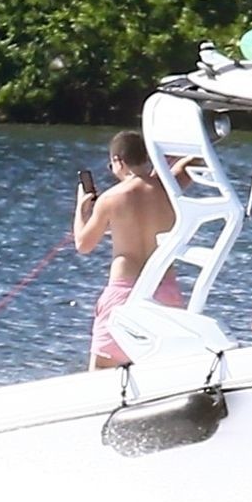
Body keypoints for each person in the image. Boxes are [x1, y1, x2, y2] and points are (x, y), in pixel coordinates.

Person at [74, 130, 186, 369]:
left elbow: (83, 244)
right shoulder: (170, 187)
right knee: (165, 369)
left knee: (102, 372)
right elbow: (194, 159)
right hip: (165, 290)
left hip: (124, 294)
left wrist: (81, 209)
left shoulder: (110, 199)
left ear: (118, 161)